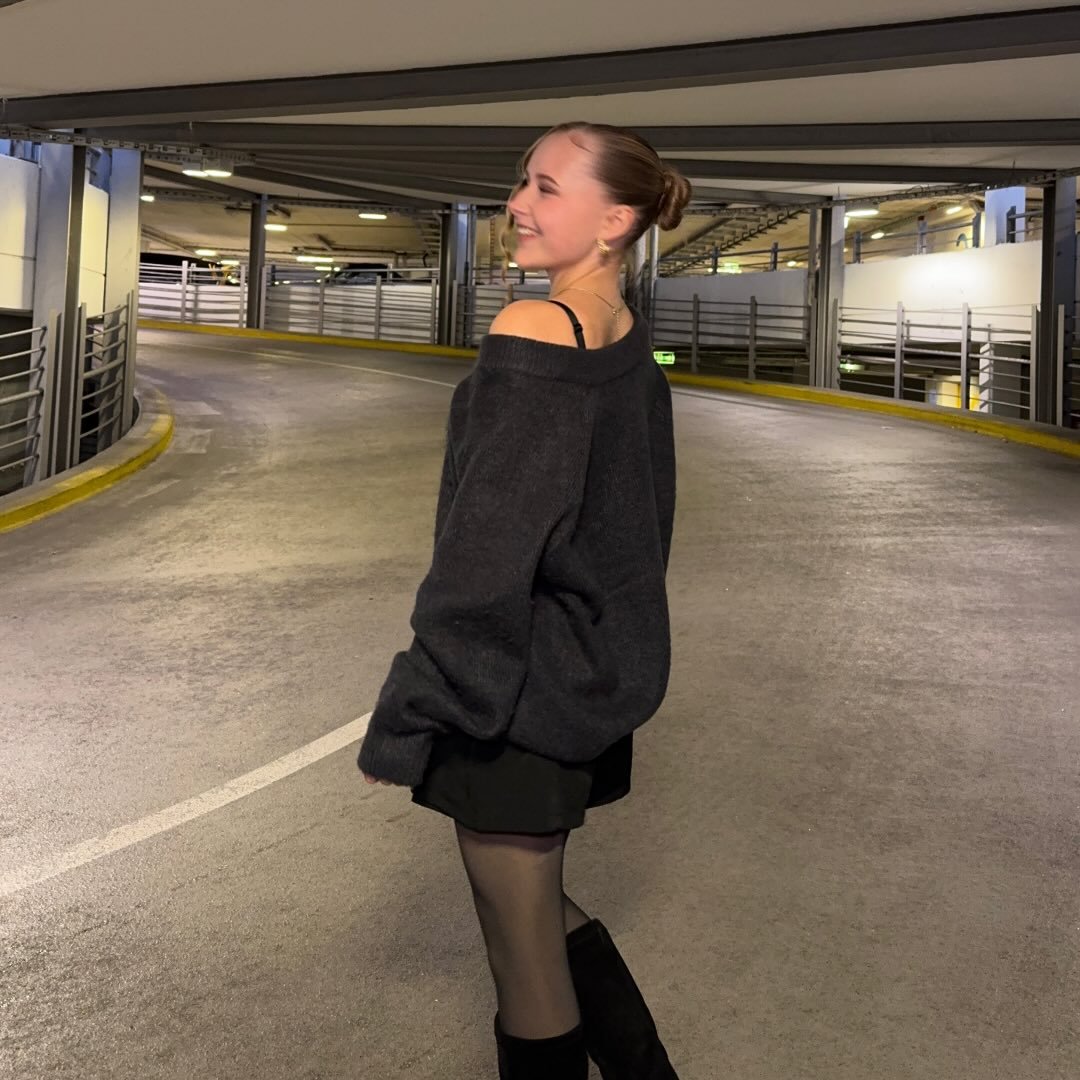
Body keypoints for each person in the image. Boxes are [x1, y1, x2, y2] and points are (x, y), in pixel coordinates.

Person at [358, 120, 692, 1079]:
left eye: (547, 187)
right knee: (534, 910)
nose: (517, 205)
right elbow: (639, 531)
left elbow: (486, 553)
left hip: (515, 692)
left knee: (524, 963)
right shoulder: (625, 340)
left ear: (614, 220)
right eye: (522, 183)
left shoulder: (538, 331)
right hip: (581, 678)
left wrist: (420, 704)